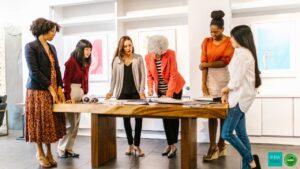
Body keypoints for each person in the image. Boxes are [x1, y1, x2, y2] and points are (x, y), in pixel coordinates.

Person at [25, 18, 66, 168]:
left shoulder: (52, 47)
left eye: (55, 31)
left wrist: (60, 87)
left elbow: (57, 68)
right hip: (38, 91)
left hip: (53, 90)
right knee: (39, 123)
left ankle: (49, 152)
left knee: (50, 123)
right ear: (42, 30)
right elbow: (34, 71)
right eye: (52, 31)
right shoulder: (30, 47)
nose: (54, 34)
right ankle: (40, 152)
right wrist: (50, 88)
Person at [221, 25, 262, 169]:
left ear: (240, 38)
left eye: (232, 36)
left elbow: (236, 79)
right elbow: (237, 78)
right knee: (241, 134)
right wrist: (228, 91)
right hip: (242, 98)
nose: (230, 39)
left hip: (239, 98)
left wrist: (225, 90)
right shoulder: (246, 53)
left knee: (226, 134)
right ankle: (247, 166)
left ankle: (250, 160)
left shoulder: (242, 54)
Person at [200, 10, 234, 161]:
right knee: (211, 114)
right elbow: (203, 64)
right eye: (211, 31)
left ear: (222, 29)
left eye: (216, 31)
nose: (213, 34)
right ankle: (212, 145)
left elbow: (224, 62)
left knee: (223, 114)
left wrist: (205, 64)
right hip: (210, 80)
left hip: (223, 79)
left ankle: (221, 144)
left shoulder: (228, 41)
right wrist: (203, 83)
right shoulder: (206, 41)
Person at [145, 35, 185, 159]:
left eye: (159, 53)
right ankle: (170, 144)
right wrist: (150, 88)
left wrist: (168, 96)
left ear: (163, 50)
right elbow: (150, 75)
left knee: (173, 117)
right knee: (164, 117)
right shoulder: (148, 57)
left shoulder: (170, 54)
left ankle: (173, 146)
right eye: (154, 53)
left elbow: (173, 75)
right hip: (160, 90)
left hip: (175, 89)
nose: (156, 56)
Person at [106, 36, 146, 157]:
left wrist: (142, 90)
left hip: (136, 93)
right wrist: (111, 91)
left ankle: (137, 145)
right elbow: (113, 78)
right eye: (125, 46)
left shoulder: (138, 58)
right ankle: (130, 144)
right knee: (126, 120)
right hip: (122, 94)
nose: (128, 48)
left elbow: (143, 75)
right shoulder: (117, 60)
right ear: (121, 47)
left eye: (130, 45)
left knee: (138, 119)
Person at [57, 39, 92, 158]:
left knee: (76, 125)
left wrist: (85, 92)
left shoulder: (85, 63)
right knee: (70, 124)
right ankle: (61, 150)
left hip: (79, 95)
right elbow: (65, 80)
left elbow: (85, 79)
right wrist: (67, 97)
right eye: (86, 49)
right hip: (70, 94)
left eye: (90, 49)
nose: (89, 52)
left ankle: (69, 149)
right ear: (80, 49)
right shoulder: (71, 61)